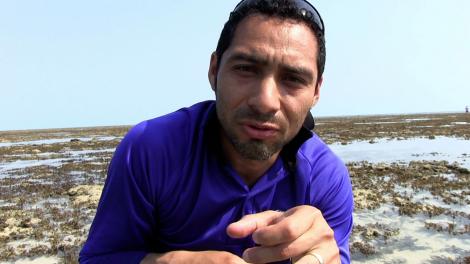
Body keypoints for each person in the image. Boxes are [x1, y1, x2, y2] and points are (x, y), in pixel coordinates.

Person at [79, 0, 353, 263]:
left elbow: (332, 255)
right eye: (246, 69)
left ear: (316, 91)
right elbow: (99, 258)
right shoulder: (151, 150)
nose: (265, 101)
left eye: (293, 79)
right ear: (214, 70)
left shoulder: (325, 179)